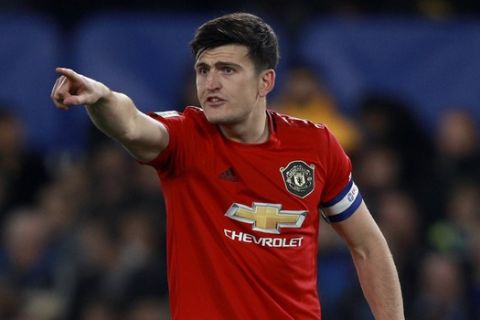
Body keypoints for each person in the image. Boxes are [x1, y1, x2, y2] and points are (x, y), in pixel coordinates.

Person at [51, 12, 403, 319]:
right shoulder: (186, 138)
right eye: (203, 70)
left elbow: (368, 245)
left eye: (227, 70)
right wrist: (101, 98)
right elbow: (130, 123)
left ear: (265, 81)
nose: (211, 83)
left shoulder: (315, 146)